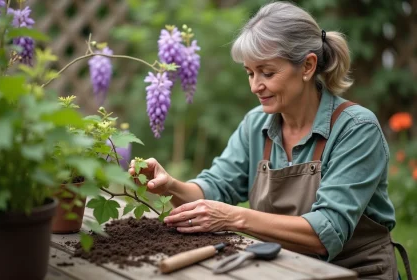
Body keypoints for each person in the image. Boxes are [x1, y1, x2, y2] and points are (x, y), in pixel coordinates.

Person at [129, 2, 412, 279]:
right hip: (280, 270)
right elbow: (216, 187)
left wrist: (234, 217)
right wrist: (170, 186)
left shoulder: (356, 129)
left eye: (267, 72)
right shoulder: (257, 124)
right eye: (250, 73)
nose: (255, 86)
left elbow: (326, 231)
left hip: (354, 272)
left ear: (307, 66)